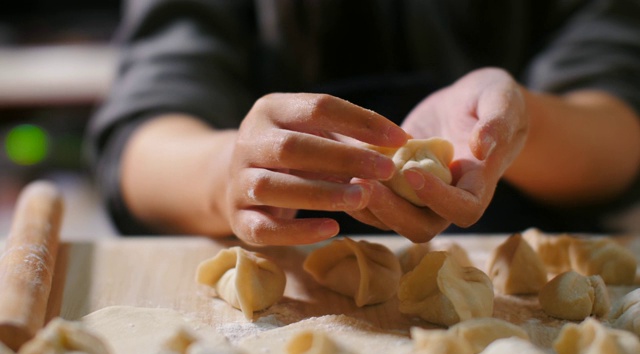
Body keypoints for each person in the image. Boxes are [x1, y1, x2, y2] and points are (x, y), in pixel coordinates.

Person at [86, 0, 640, 245]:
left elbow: (619, 124)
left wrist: (518, 123)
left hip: (512, 276)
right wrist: (225, 172)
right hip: (282, 279)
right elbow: (142, 139)